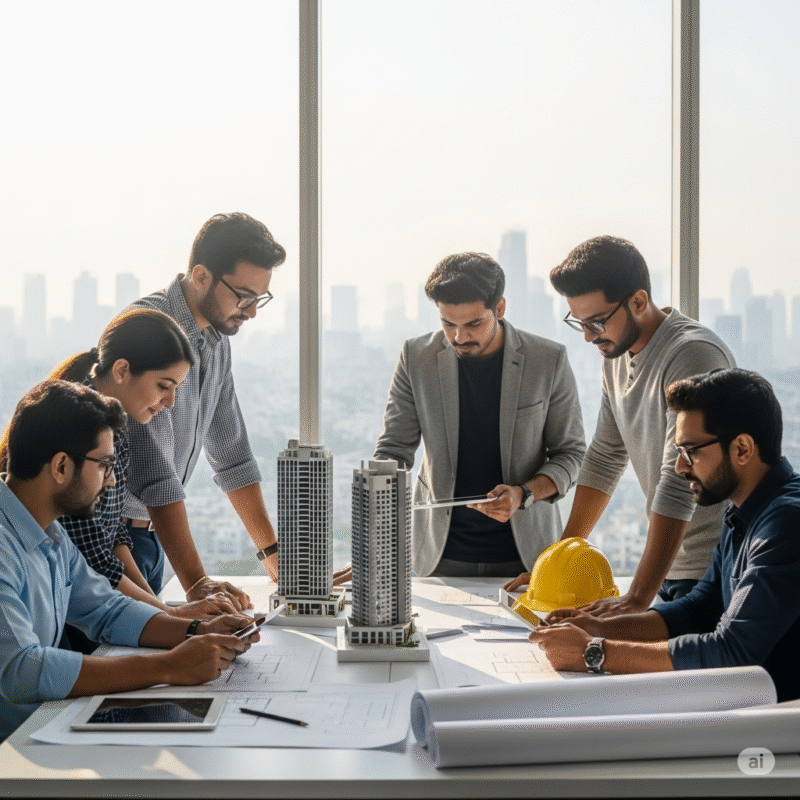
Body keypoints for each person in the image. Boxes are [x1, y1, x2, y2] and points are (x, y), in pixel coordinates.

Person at [0, 380, 255, 742]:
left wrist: (196, 632)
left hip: (36, 733)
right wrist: (170, 666)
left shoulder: (51, 533)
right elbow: (20, 671)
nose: (112, 479)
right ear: (60, 466)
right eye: (104, 465)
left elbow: (105, 609)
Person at [531, 368, 800, 702]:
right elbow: (699, 610)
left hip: (780, 728)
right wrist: (597, 627)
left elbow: (734, 651)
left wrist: (593, 652)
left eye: (691, 451)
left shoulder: (787, 521)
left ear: (742, 449)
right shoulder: (745, 512)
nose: (680, 467)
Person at [506, 236, 736, 612]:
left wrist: (637, 600)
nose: (587, 336)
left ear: (639, 301)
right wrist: (554, 567)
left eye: (596, 322)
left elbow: (678, 482)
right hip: (673, 569)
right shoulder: (615, 354)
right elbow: (603, 458)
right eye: (579, 322)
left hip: (715, 569)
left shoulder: (691, 355)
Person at [373, 251, 585, 578]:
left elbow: (570, 453)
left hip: (526, 557)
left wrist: (524, 493)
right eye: (448, 323)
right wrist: (374, 545)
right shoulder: (416, 357)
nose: (459, 337)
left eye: (473, 323)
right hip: (438, 554)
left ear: (499, 308)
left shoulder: (548, 360)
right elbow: (393, 451)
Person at [47, 310, 242, 647]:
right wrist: (171, 618)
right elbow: (94, 554)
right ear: (122, 370)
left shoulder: (115, 425)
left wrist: (164, 612)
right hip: (65, 599)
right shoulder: (80, 426)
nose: (169, 403)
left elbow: (111, 534)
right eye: (164, 387)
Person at [122, 212, 285, 604]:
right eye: (243, 296)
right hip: (114, 541)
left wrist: (276, 558)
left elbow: (231, 454)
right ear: (200, 276)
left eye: (259, 298)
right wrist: (197, 584)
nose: (251, 311)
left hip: (154, 537)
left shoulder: (215, 341)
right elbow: (156, 475)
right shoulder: (147, 330)